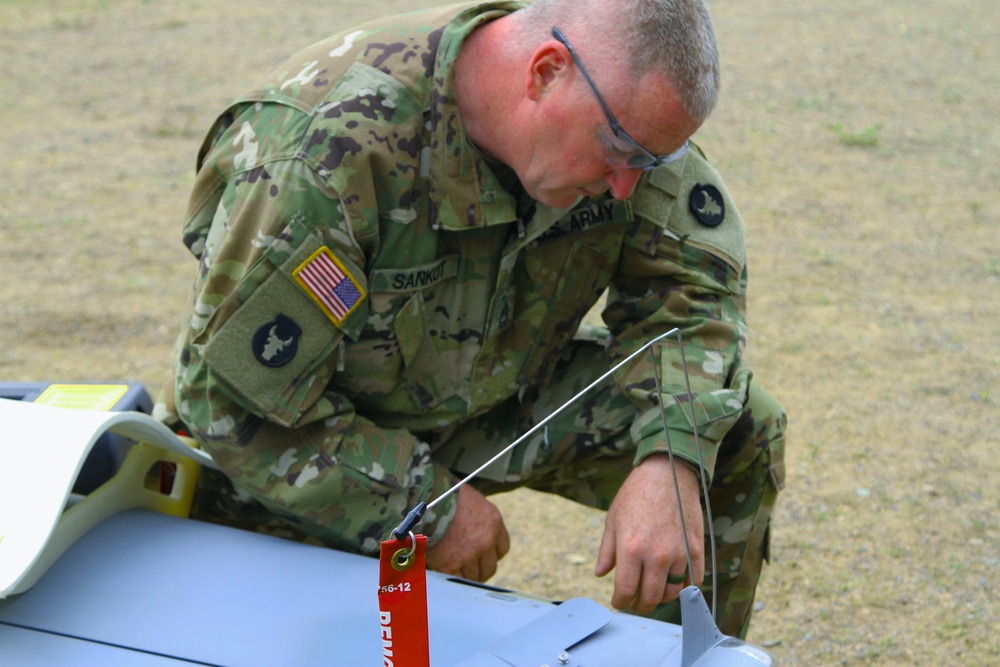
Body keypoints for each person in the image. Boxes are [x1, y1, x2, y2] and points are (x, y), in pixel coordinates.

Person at [156, 0, 786, 638]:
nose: (626, 187)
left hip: (491, 399)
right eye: (620, 151)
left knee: (734, 431)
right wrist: (425, 506)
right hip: (313, 438)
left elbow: (690, 291)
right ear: (545, 73)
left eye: (648, 165)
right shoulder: (327, 150)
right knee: (285, 638)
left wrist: (671, 459)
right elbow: (230, 405)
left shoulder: (622, 119)